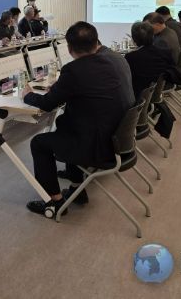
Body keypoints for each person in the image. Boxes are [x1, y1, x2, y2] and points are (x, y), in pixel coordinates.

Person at [20, 22, 134, 216]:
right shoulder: (114, 60)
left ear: (69, 48)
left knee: (39, 143)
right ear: (97, 42)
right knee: (70, 126)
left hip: (98, 146)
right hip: (119, 139)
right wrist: (62, 88)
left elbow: (47, 104)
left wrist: (27, 95)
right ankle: (76, 190)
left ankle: (54, 202)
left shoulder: (73, 70)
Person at [124, 22, 174, 98]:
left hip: (138, 95)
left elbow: (126, 79)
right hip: (158, 90)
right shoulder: (164, 52)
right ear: (153, 35)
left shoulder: (131, 57)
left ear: (133, 39)